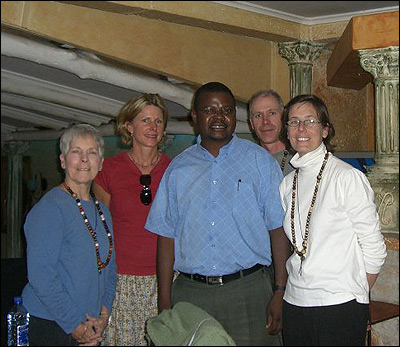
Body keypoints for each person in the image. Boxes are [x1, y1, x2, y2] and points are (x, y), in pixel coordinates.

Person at [145, 82, 291, 346]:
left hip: (248, 292)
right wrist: (164, 303)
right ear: (195, 117)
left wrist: (280, 290)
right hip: (191, 295)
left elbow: (277, 228)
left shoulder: (260, 162)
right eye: (209, 110)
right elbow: (166, 237)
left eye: (226, 110)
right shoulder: (178, 169)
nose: (219, 116)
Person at [278, 94, 387, 346]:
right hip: (295, 303)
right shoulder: (287, 184)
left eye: (310, 121)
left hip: (339, 307)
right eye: (293, 122)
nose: (301, 129)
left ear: (325, 130)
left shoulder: (346, 177)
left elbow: (375, 248)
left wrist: (355, 291)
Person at [21, 124, 117, 346]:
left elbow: (110, 267)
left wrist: (104, 314)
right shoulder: (50, 209)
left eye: (92, 153)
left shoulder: (102, 211)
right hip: (49, 324)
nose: (84, 159)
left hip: (89, 325)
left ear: (100, 163)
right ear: (63, 161)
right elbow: (41, 276)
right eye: (76, 152)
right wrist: (76, 326)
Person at [92, 93, 171, 346]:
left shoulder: (176, 169)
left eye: (158, 122)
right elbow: (98, 230)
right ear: (128, 126)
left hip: (165, 279)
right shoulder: (108, 171)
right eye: (145, 120)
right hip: (121, 280)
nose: (153, 128)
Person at [247, 90, 294, 175]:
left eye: (272, 113)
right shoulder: (246, 162)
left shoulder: (299, 159)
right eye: (258, 115)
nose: (265, 121)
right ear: (251, 124)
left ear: (283, 117)